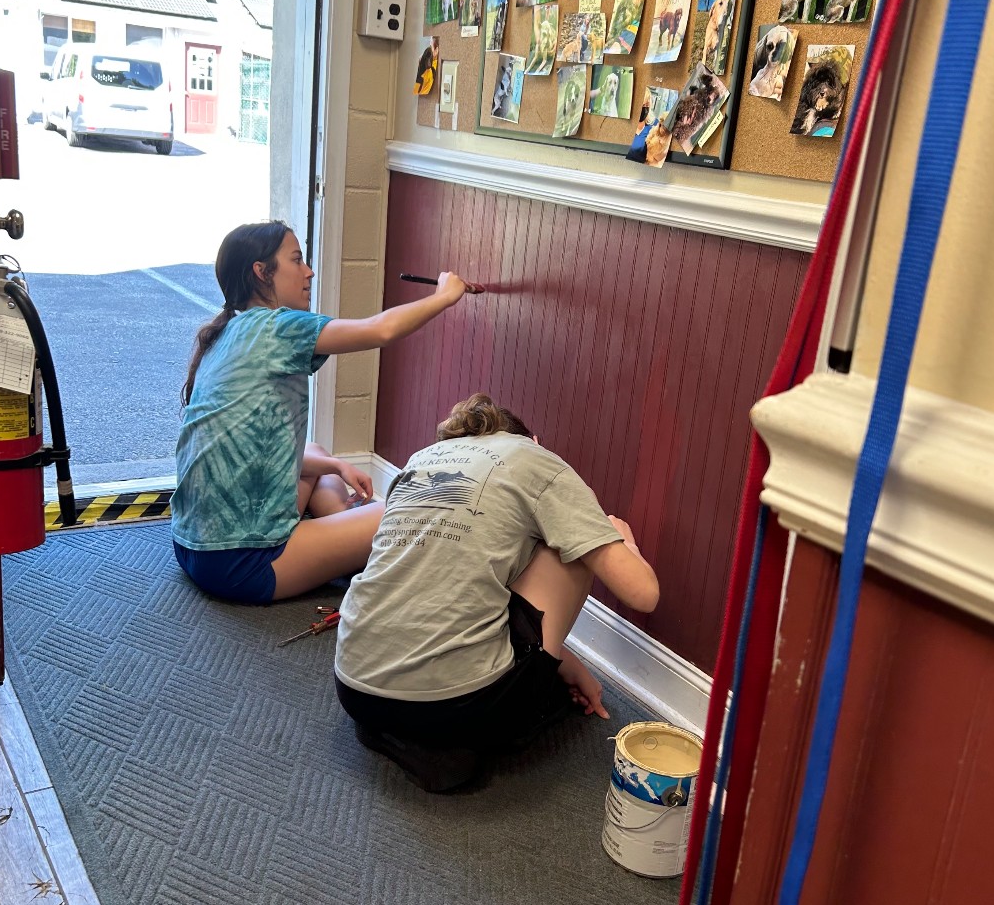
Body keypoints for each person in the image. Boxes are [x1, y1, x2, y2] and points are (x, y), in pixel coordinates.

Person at [334, 393, 660, 792]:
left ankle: (408, 727)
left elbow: (446, 584)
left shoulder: (422, 458)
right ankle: (455, 731)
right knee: (571, 546)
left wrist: (566, 663)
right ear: (533, 440)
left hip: (354, 688)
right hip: (458, 709)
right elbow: (644, 594)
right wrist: (623, 542)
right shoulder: (537, 460)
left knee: (476, 558)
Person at [172, 220, 470, 605]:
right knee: (411, 510)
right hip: (242, 564)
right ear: (261, 272)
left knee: (320, 454)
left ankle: (341, 542)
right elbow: (378, 331)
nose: (309, 271)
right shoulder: (276, 327)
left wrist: (336, 467)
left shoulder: (228, 333)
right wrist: (445, 295)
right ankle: (349, 545)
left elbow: (262, 448)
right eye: (296, 260)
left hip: (192, 545)